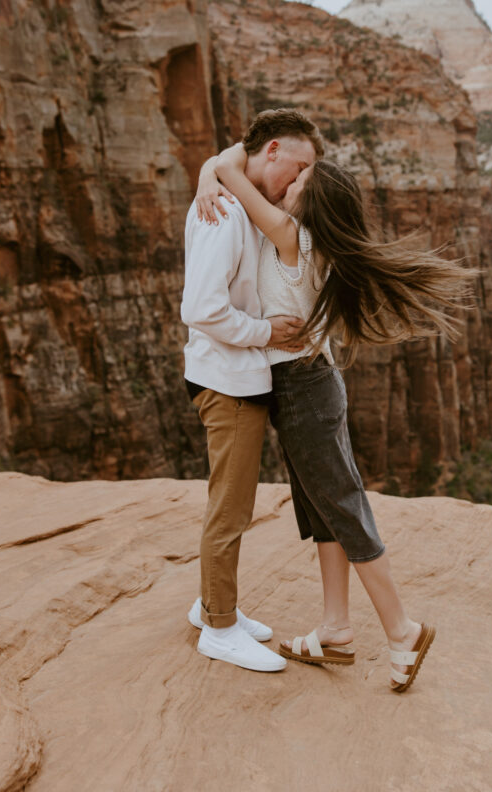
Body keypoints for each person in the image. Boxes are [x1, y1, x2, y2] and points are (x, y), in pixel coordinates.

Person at [196, 140, 477, 692]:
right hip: (311, 385)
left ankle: (403, 631)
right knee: (323, 509)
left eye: (302, 178)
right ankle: (335, 628)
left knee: (342, 509)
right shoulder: (309, 240)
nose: (291, 180)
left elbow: (233, 167)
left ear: (312, 202)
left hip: (303, 391)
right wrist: (211, 176)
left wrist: (212, 175)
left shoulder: (293, 236)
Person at [181, 109, 324, 673]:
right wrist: (265, 332)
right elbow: (201, 308)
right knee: (231, 508)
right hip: (227, 381)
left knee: (231, 502)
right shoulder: (223, 214)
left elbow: (229, 156)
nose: (302, 179)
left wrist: (214, 167)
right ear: (271, 153)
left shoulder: (236, 199)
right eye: (300, 164)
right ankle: (218, 628)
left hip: (235, 376)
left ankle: (214, 606)